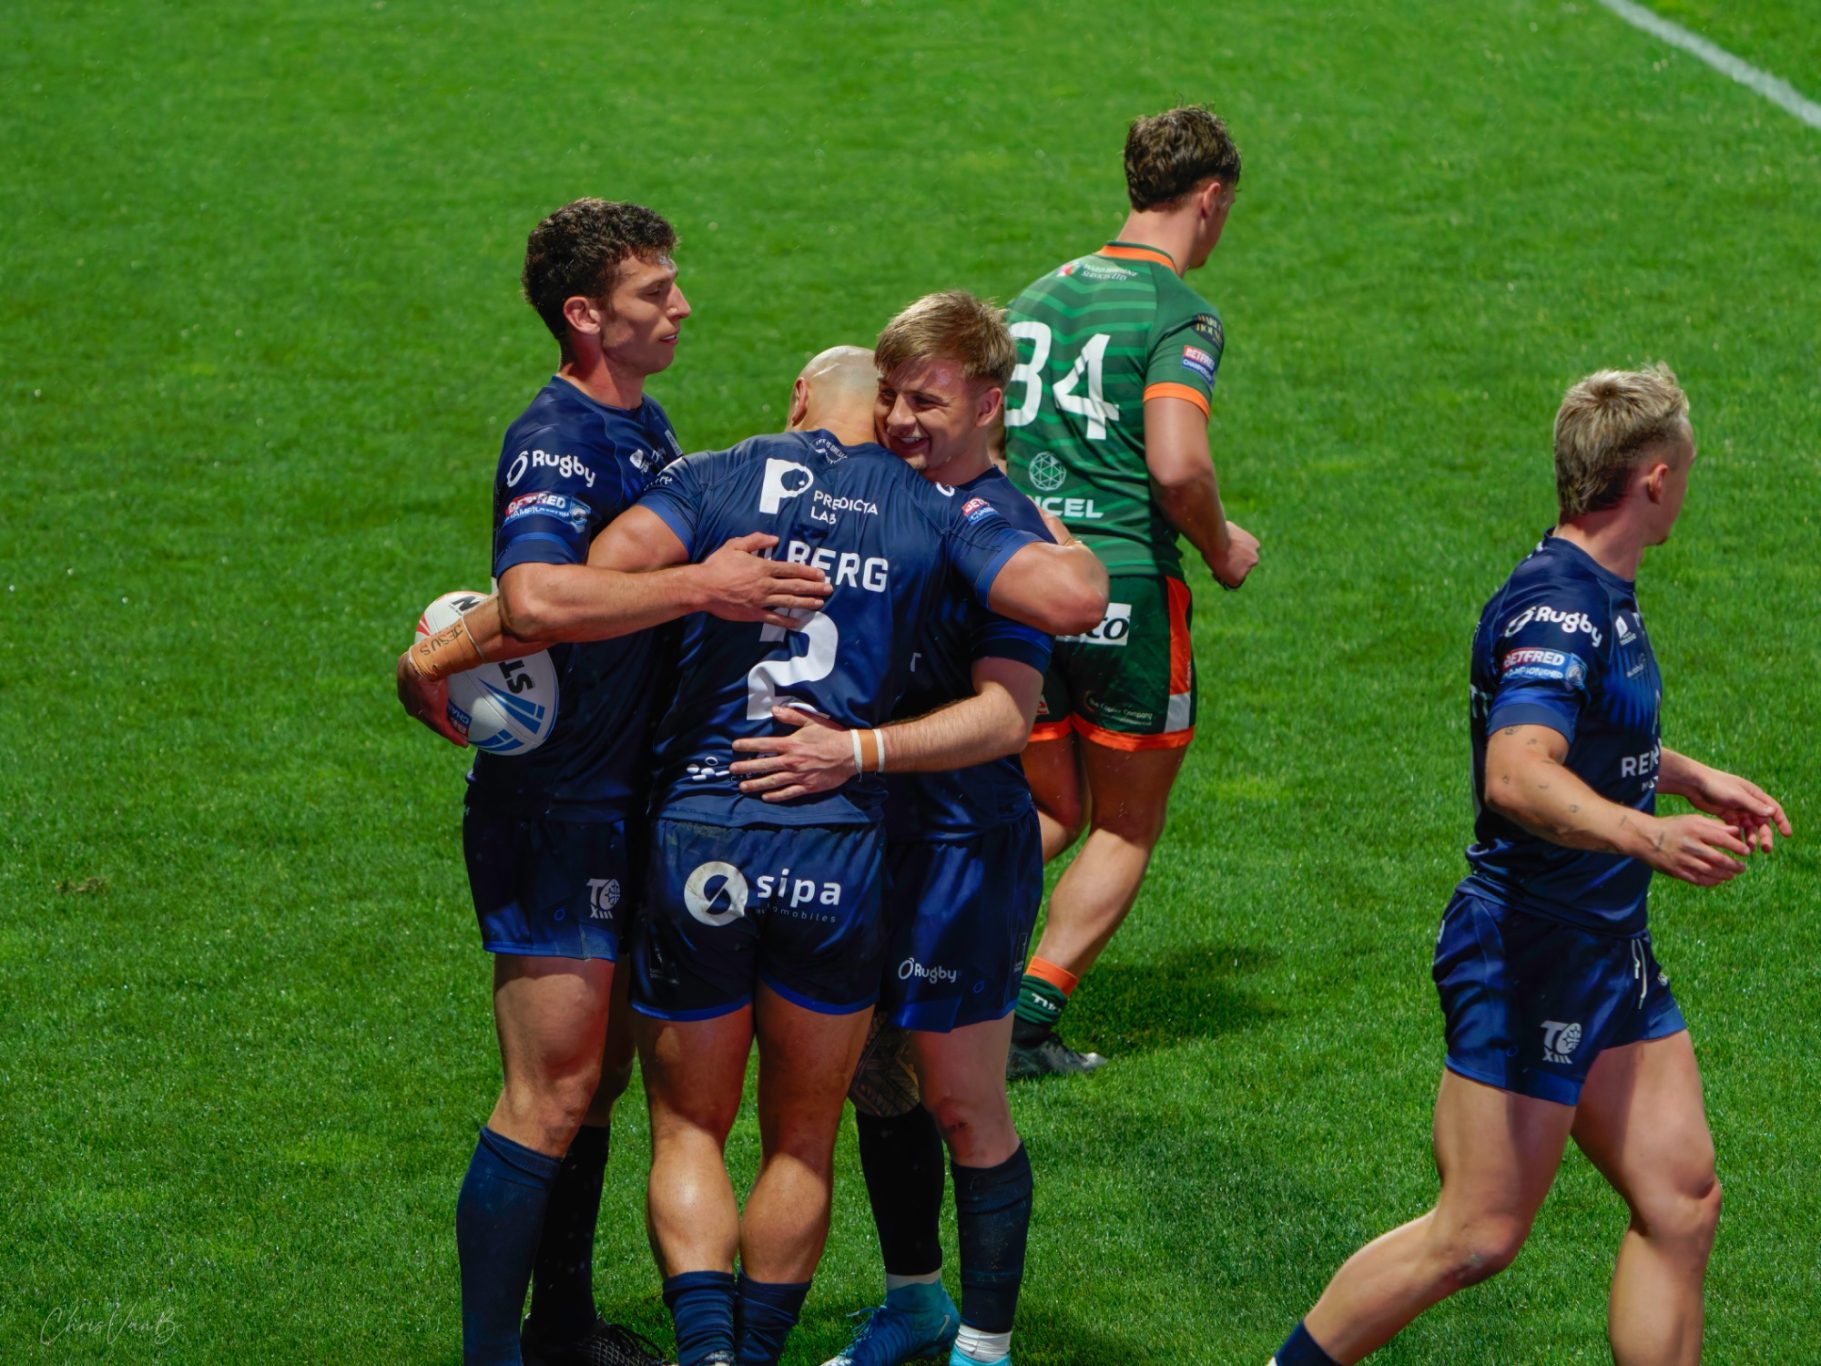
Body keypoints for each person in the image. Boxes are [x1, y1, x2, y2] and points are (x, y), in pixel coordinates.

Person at [1270, 365, 1791, 1366]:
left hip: (1607, 949)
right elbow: (1516, 772)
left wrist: (1686, 776)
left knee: (1681, 1200)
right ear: (1652, 479)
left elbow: (1585, 733)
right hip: (1530, 951)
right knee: (1474, 1237)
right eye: (1686, 468)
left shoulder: (1597, 592)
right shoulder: (1560, 607)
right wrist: (1651, 835)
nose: (1689, 484)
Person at [395, 198, 830, 1366]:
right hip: (557, 808)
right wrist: (704, 588)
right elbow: (537, 597)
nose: (682, 305)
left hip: (626, 799)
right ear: (586, 315)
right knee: (549, 1091)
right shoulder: (555, 437)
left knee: (597, 1089)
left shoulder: (643, 424)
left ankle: (562, 1326)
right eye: (654, 291)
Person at [725, 300, 1063, 1366]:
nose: (903, 418)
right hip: (862, 839)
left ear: (989, 405)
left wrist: (855, 753)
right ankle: (915, 1302)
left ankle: (985, 1346)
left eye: (928, 400)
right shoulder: (887, 495)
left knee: (964, 1103)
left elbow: (1007, 717)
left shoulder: (1000, 530)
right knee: (876, 1077)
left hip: (959, 849)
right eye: (893, 395)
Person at [1001, 105, 1261, 1076]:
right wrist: (1222, 547)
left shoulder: (1032, 299)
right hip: (1125, 591)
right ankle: (1024, 1025)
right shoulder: (1178, 313)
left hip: (1021, 586)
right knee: (1123, 821)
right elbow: (1178, 465)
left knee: (1048, 805)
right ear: (1210, 198)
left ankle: (919, 956)